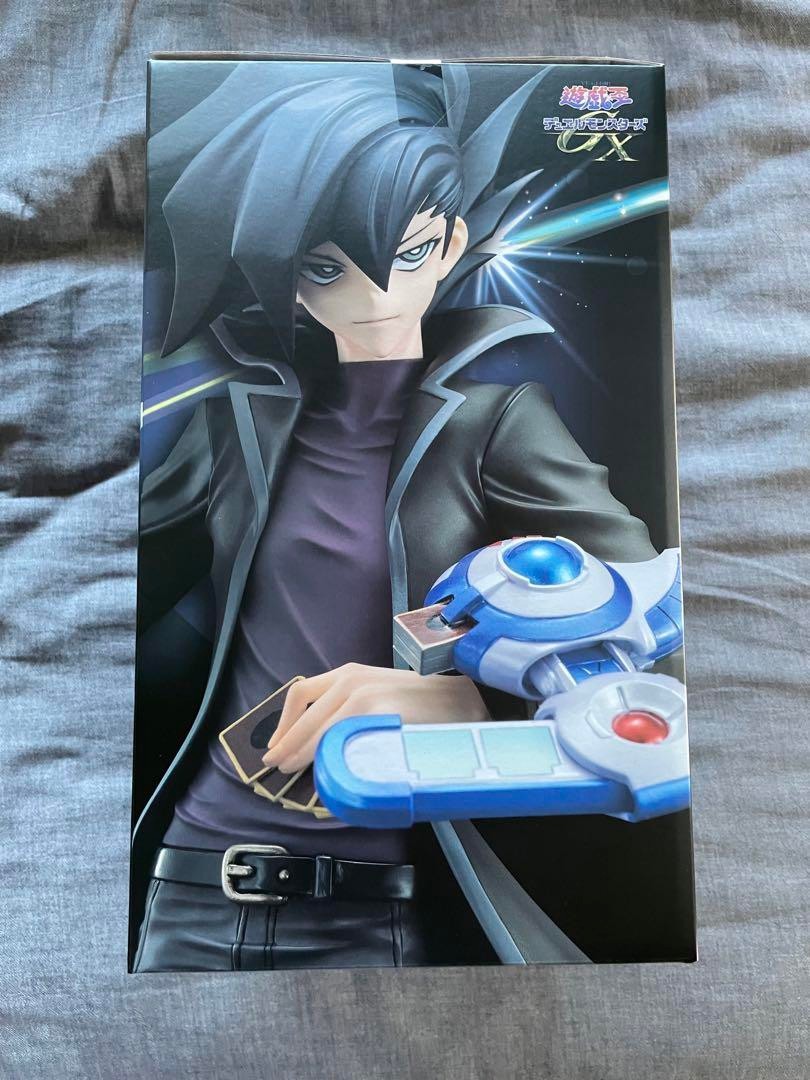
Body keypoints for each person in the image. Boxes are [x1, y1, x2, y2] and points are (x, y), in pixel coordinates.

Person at [130, 61, 666, 972]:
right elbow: (116, 587)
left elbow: (647, 625)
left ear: (451, 242)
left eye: (408, 254)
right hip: (194, 881)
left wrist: (472, 699)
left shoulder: (495, 423)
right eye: (327, 269)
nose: (375, 298)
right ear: (288, 279)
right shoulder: (238, 423)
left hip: (382, 901)